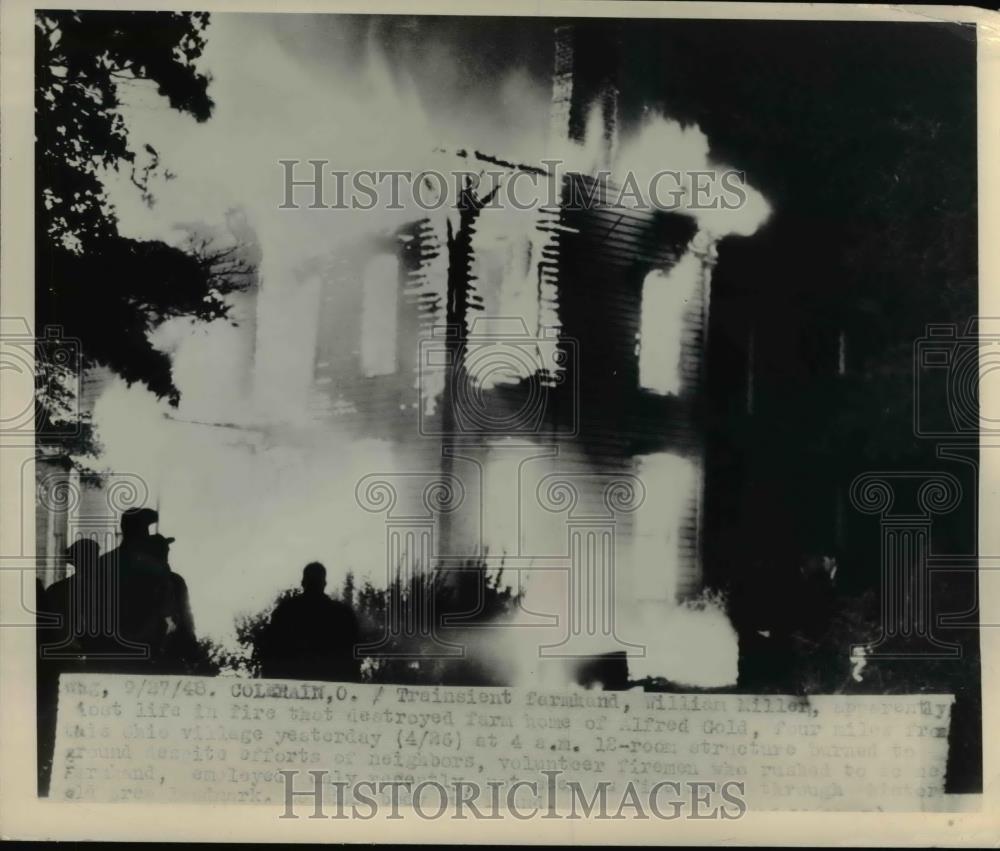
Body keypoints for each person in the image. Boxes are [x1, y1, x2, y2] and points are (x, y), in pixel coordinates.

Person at [260, 562, 360, 682]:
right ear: (324, 583)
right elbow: (351, 659)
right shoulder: (342, 614)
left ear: (303, 582)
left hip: (292, 683)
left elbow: (270, 653)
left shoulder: (286, 610)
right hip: (331, 684)